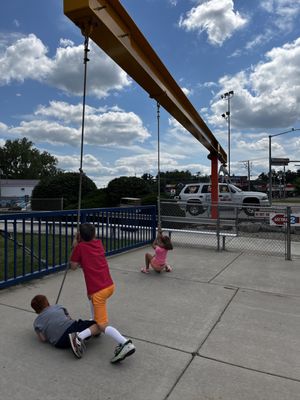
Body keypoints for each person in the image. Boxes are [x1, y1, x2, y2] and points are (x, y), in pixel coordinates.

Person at [69, 223, 135, 363]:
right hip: (109, 285)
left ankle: (124, 343)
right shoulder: (99, 243)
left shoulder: (79, 247)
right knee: (94, 309)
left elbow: (73, 266)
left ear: (80, 236)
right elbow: (89, 259)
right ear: (94, 235)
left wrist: (75, 245)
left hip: (98, 291)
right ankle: (93, 327)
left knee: (102, 324)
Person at [31, 294, 100, 359]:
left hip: (59, 343)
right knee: (97, 325)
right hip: (70, 328)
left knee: (73, 331)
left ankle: (75, 340)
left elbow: (43, 339)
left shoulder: (36, 323)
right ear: (47, 302)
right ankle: (80, 336)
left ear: (36, 311)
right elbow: (70, 318)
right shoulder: (58, 307)